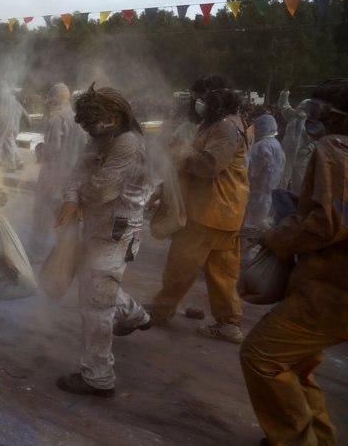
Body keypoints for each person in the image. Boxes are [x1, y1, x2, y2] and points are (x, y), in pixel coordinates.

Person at [240, 78, 348, 446]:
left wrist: (277, 235)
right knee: (296, 364)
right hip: (329, 287)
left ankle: (295, 440)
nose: (314, 121)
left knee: (260, 357)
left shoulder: (335, 148)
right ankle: (316, 437)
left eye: (319, 113)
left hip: (332, 291)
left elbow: (327, 223)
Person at [53, 84, 152, 398]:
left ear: (114, 116)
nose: (88, 129)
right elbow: (77, 173)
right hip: (97, 225)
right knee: (97, 286)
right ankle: (135, 314)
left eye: (92, 123)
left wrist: (77, 198)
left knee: (95, 302)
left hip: (117, 230)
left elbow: (101, 189)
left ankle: (98, 376)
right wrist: (71, 199)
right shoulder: (99, 139)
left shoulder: (128, 144)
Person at [149, 75, 250, 343]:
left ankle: (161, 310)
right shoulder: (221, 124)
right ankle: (229, 323)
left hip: (209, 211)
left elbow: (209, 165)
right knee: (221, 271)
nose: (196, 104)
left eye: (199, 98)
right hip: (222, 211)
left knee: (181, 263)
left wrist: (180, 151)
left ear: (213, 98)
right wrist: (165, 186)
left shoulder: (226, 127)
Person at [30, 83, 86, 258]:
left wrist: (40, 149)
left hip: (53, 174)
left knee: (42, 212)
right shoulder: (79, 121)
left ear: (54, 99)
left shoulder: (56, 120)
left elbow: (53, 150)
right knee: (63, 213)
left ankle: (37, 251)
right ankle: (62, 253)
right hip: (72, 176)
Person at [243, 114, 285, 232]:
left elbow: (252, 172)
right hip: (269, 193)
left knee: (248, 227)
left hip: (256, 194)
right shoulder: (277, 145)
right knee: (259, 222)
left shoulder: (260, 147)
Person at [278, 89, 314, 194]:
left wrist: (309, 148)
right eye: (300, 108)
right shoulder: (293, 116)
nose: (300, 111)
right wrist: (284, 95)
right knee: (282, 179)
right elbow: (284, 106)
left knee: (299, 183)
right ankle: (279, 202)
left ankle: (298, 204)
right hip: (287, 153)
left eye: (303, 109)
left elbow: (317, 139)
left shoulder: (312, 123)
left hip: (302, 156)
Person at [0, 84, 29, 171]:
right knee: (10, 143)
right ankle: (14, 163)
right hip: (11, 125)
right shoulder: (13, 99)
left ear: (1, 89)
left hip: (3, 124)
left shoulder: (2, 98)